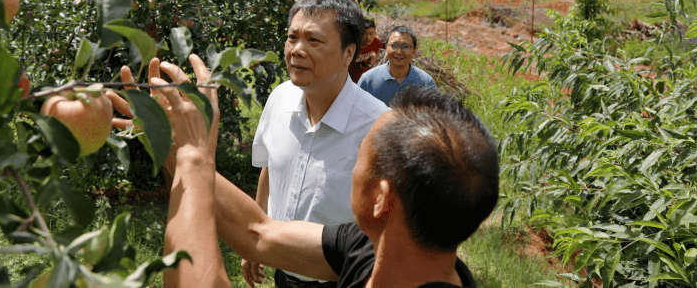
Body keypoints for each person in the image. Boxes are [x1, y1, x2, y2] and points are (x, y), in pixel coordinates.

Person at [144, 65, 498, 288]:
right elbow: (257, 232)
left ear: (380, 198)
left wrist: (193, 159)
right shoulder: (374, 248)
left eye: (361, 155)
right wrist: (174, 148)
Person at [246, 0, 389, 287]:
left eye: (313, 40)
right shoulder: (279, 98)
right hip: (283, 272)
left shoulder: (378, 126)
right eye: (291, 37)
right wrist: (255, 238)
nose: (297, 49)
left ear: (348, 52)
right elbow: (270, 171)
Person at [357, 25, 436, 106]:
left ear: (414, 51)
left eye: (405, 47)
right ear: (385, 48)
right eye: (394, 46)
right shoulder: (368, 80)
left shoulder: (426, 82)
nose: (399, 52)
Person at [348, 19, 383, 83]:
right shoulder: (352, 44)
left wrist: (371, 63)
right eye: (365, 33)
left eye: (371, 33)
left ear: (375, 33)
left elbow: (377, 51)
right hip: (349, 78)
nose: (368, 37)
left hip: (365, 78)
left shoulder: (376, 41)